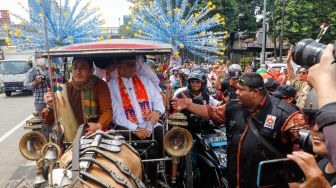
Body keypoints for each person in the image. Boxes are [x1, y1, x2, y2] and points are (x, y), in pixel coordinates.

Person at [172, 72, 308, 188]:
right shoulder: (233, 107)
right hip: (236, 181)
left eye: (241, 89)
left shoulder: (286, 114)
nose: (236, 92)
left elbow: (308, 149)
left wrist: (297, 180)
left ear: (255, 92)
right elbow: (212, 112)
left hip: (269, 184)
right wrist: (189, 105)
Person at [42, 58, 112, 140]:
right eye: (75, 67)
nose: (78, 71)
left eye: (83, 67)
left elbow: (107, 111)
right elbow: (51, 119)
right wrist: (51, 106)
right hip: (72, 136)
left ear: (91, 71)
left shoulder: (100, 85)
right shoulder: (65, 89)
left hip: (96, 133)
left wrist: (98, 125)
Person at [108, 56, 165, 146]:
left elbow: (158, 99)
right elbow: (116, 116)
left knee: (162, 132)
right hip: (127, 128)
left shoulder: (145, 81)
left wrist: (157, 111)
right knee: (123, 135)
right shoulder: (111, 86)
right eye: (128, 64)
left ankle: (163, 160)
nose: (132, 68)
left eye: (133, 64)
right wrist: (135, 129)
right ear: (119, 66)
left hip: (149, 125)